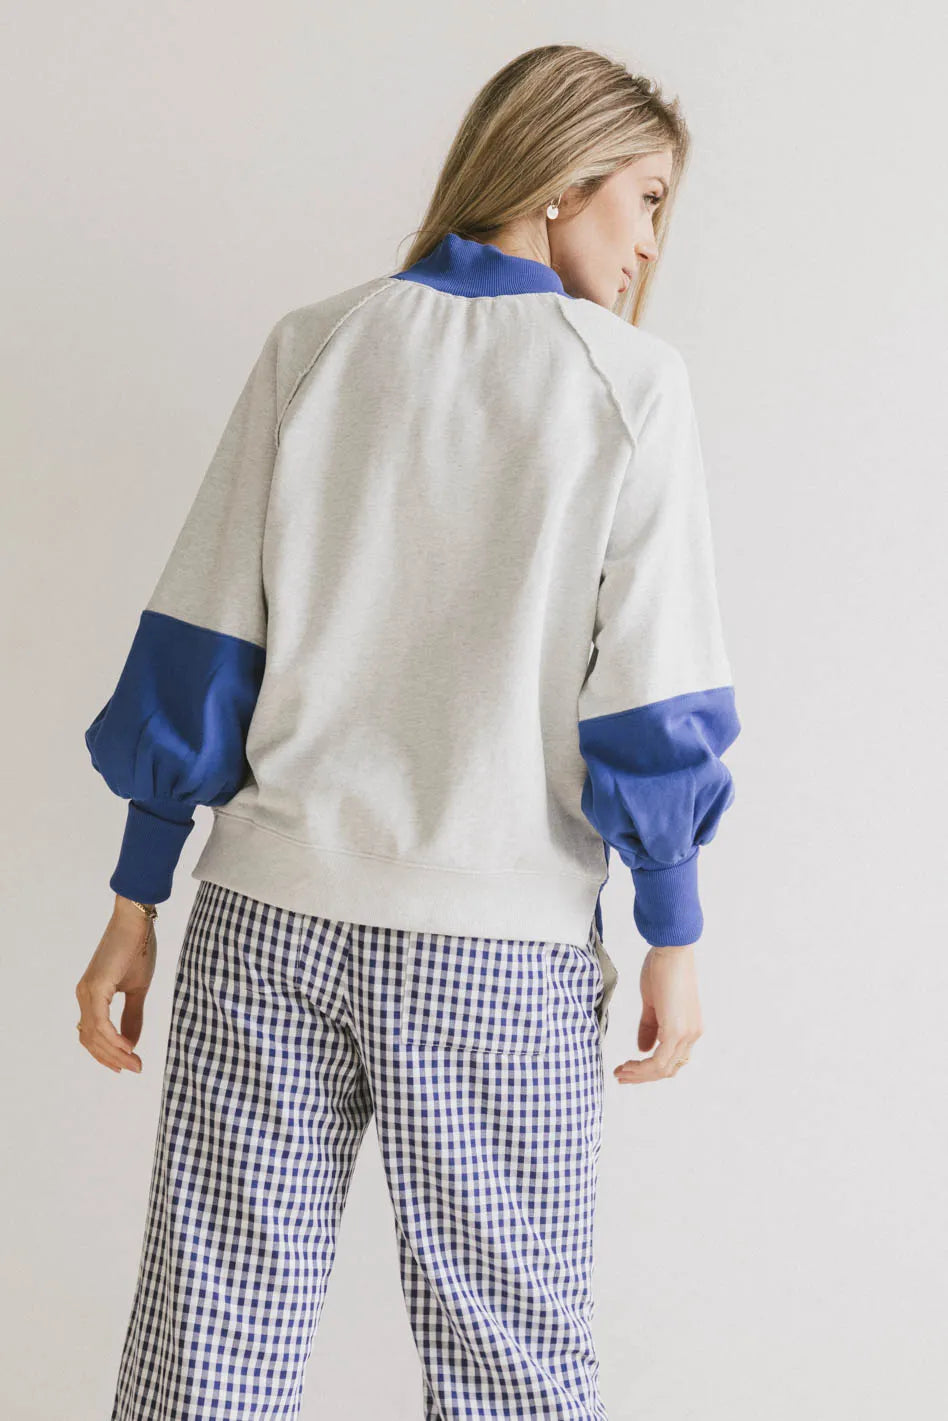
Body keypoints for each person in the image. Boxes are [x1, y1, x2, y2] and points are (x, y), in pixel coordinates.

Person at [77, 42, 741, 1421]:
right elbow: (650, 698)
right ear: (562, 180)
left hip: (265, 925)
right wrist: (672, 927)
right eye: (647, 199)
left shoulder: (316, 344)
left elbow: (203, 646)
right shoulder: (630, 382)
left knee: (208, 1352)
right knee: (514, 1375)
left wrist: (138, 895)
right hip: (494, 947)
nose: (648, 244)